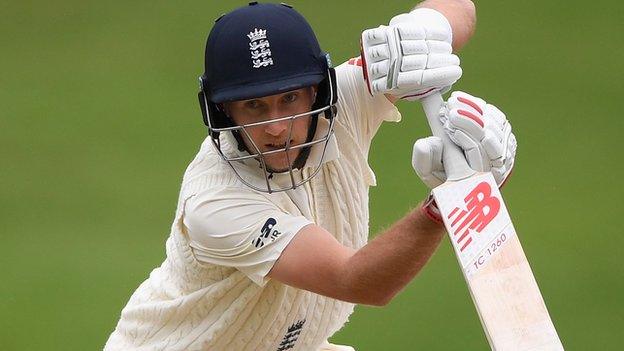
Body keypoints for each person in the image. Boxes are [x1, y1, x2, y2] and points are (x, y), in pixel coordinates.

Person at [104, 1, 516, 350]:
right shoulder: (213, 204)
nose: (277, 127)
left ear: (318, 91)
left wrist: (422, 30)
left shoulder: (346, 98)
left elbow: (460, 7)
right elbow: (356, 280)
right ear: (222, 111)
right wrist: (446, 204)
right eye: (254, 107)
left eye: (289, 99)